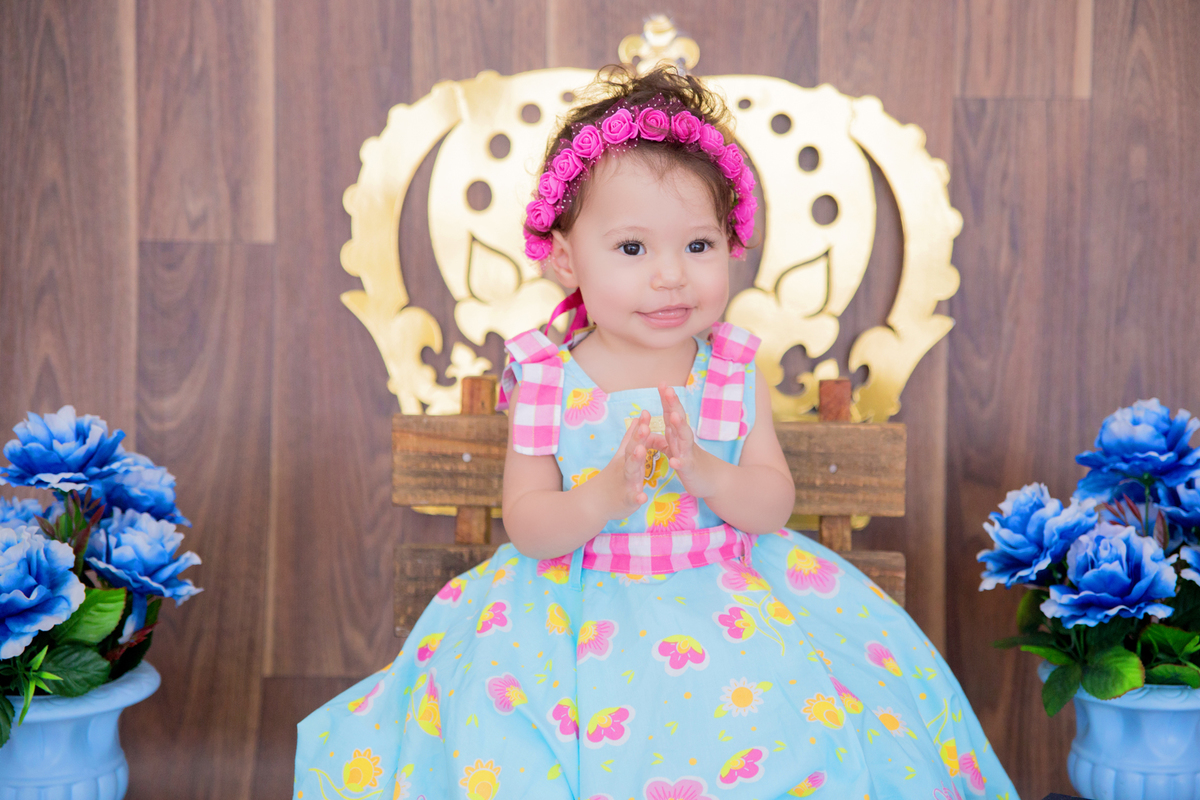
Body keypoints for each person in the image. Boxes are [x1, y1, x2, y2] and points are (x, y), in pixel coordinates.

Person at [293, 64, 1019, 800]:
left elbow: (772, 503)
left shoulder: (730, 370)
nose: (671, 275)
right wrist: (602, 497)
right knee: (507, 742)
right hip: (572, 612)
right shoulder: (547, 378)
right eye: (633, 249)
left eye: (698, 246)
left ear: (730, 244)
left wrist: (711, 475)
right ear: (567, 258)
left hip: (729, 604)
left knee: (786, 734)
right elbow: (529, 524)